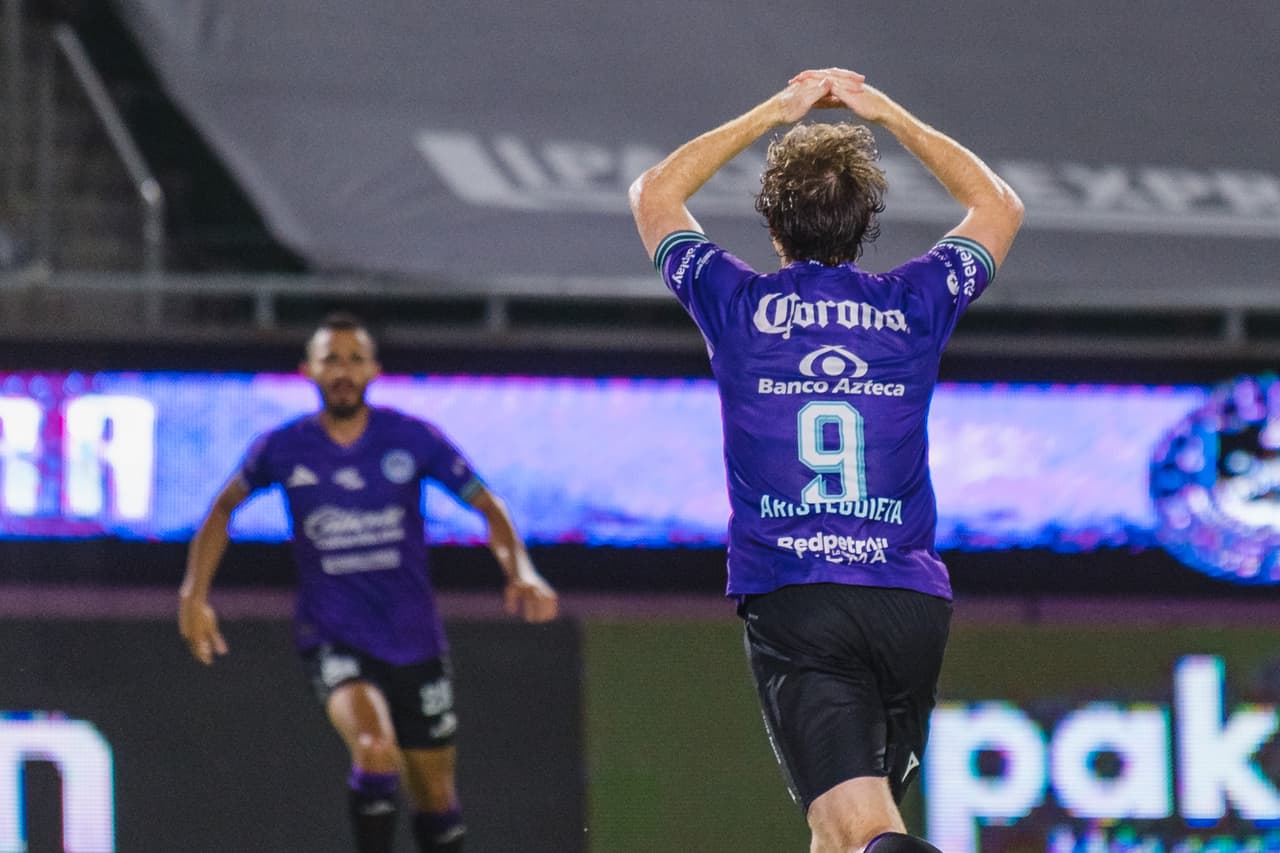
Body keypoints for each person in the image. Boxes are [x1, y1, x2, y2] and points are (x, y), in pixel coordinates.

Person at [629, 68, 1023, 852]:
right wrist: (887, 111)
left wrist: (776, 110)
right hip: (909, 607)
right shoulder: (915, 304)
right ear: (865, 221)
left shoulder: (736, 306)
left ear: (773, 224)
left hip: (802, 601)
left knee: (859, 829)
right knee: (840, 831)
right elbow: (999, 206)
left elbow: (653, 196)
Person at [178, 312, 559, 853]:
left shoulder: (411, 439)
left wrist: (521, 569)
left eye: (354, 359)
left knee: (436, 799)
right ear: (308, 370)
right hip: (333, 636)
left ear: (374, 370)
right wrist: (194, 594)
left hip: (414, 640)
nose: (343, 371)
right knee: (375, 749)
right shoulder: (282, 449)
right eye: (330, 359)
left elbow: (487, 505)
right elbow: (221, 511)